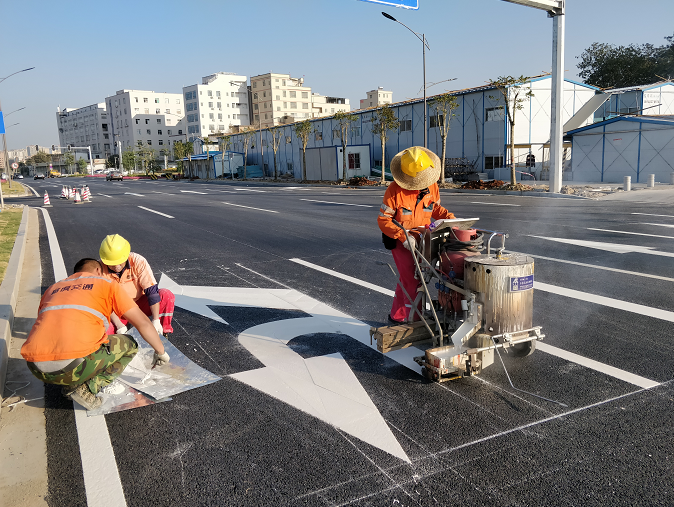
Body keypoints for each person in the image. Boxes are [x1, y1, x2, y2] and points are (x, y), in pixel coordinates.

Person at [21, 258, 170, 410]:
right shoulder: (106, 284)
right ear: (99, 271)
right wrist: (161, 352)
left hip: (36, 368)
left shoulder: (53, 288)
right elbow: (143, 323)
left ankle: (71, 380)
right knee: (130, 344)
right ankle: (88, 387)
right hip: (72, 368)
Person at [378, 147, 456, 323]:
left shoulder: (432, 185)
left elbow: (434, 208)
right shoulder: (394, 190)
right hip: (402, 241)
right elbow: (384, 220)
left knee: (407, 279)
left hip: (425, 239)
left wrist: (452, 220)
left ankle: (396, 316)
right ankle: (416, 321)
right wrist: (404, 237)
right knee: (414, 281)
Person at [98, 234, 175, 337]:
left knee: (166, 295)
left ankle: (162, 332)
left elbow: (152, 292)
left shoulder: (138, 261)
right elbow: (104, 303)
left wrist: (156, 320)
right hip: (117, 310)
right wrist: (118, 324)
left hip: (139, 304)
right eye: (112, 263)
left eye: (120, 262)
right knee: (103, 331)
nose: (116, 267)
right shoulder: (98, 270)